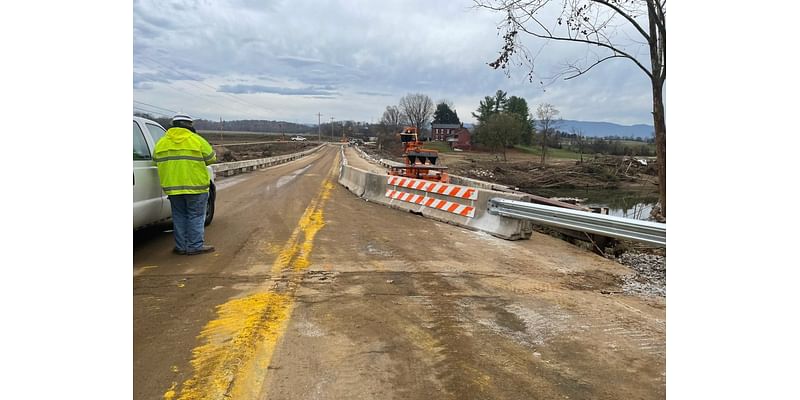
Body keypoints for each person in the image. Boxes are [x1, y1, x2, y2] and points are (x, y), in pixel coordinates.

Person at [154, 114, 217, 255]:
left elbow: (155, 160)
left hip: (173, 188)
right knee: (195, 216)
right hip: (196, 187)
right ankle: (195, 246)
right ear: (190, 125)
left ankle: (181, 247)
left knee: (179, 215)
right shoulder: (197, 140)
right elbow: (212, 158)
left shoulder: (161, 142)